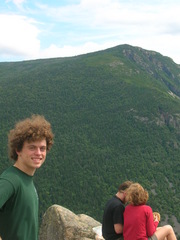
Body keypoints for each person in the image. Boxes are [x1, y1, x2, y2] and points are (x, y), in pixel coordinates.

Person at [0, 114, 54, 240]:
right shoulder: (11, 180)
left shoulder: (26, 179)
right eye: (32, 148)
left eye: (42, 148)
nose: (38, 153)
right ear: (18, 150)